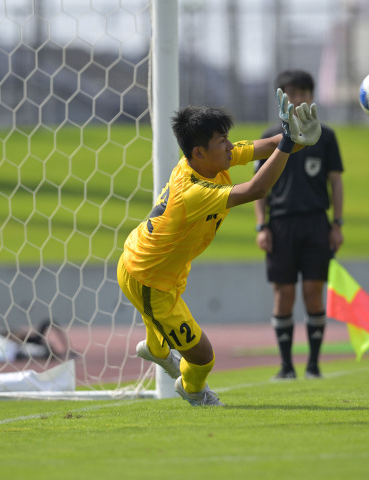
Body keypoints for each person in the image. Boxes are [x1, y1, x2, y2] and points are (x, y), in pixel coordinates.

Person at [117, 89, 321, 406]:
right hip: (148, 277)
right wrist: (286, 144)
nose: (230, 146)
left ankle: (156, 349)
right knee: (203, 356)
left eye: (228, 138)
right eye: (221, 141)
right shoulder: (193, 191)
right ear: (198, 152)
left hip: (163, 265)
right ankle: (193, 390)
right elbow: (258, 188)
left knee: (164, 333)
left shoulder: (211, 161)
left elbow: (261, 148)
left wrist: (291, 137)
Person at [254, 70, 344, 380]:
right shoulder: (271, 135)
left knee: (313, 291)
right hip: (280, 225)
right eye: (293, 93)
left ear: (312, 95)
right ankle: (286, 366)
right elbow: (258, 187)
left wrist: (337, 223)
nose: (299, 98)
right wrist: (261, 226)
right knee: (283, 294)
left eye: (305, 92)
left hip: (316, 223)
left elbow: (336, 182)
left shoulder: (326, 136)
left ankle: (314, 365)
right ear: (283, 97)